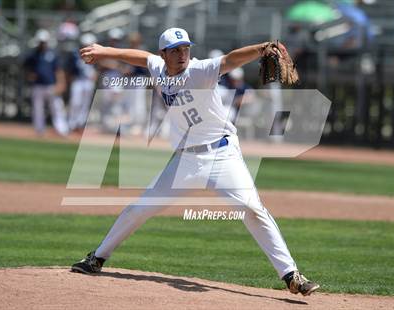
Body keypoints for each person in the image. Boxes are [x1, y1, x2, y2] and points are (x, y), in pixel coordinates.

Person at [71, 27, 320, 296]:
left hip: (222, 155)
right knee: (140, 208)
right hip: (185, 160)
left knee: (251, 208)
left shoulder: (199, 70)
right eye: (176, 50)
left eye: (186, 48)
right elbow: (141, 57)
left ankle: (291, 275)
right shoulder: (158, 67)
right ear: (163, 54)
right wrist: (103, 51)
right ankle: (97, 258)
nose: (182, 54)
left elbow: (230, 60)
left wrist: (261, 49)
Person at [24, 29, 69, 136]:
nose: (42, 44)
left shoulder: (52, 54)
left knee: (57, 108)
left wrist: (61, 83)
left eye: (44, 42)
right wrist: (29, 75)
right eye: (41, 42)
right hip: (38, 86)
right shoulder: (33, 55)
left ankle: (61, 129)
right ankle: (40, 130)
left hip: (51, 85)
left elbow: (58, 70)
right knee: (37, 109)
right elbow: (25, 67)